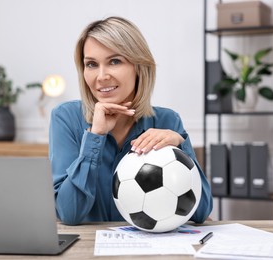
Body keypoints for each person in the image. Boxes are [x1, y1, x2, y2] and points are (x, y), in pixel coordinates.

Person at [49, 16, 213, 225]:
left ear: (138, 66)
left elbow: (201, 212)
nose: (101, 76)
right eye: (91, 64)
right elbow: (69, 213)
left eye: (114, 61)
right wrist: (95, 136)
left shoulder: (167, 120)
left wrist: (181, 146)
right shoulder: (66, 118)